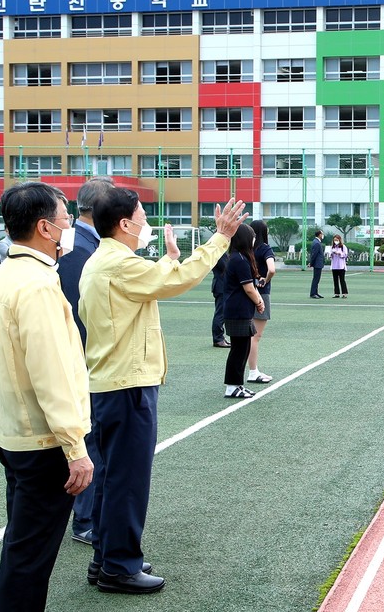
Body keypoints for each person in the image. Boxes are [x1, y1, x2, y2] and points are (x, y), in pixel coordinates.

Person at [79, 189, 246, 594]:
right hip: (127, 385)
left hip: (112, 383)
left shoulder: (103, 261)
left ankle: (108, 557)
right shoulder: (119, 264)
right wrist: (220, 238)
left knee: (112, 478)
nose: (145, 222)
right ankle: (119, 565)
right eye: (141, 215)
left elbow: (155, 280)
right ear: (124, 224)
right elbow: (177, 280)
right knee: (128, 480)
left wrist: (170, 259)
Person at [0, 182, 93, 612]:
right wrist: (75, 447)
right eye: (65, 220)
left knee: (22, 546)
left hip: (12, 434)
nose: (70, 227)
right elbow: (53, 374)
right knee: (29, 559)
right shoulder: (38, 285)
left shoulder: (6, 276)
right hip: (43, 442)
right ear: (45, 227)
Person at [56, 176, 114, 546]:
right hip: (83, 361)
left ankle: (88, 515)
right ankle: (85, 520)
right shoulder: (80, 249)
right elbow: (82, 314)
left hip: (86, 359)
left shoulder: (85, 243)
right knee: (89, 442)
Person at [223, 224, 267, 398]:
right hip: (238, 311)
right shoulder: (239, 260)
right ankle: (232, 386)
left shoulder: (239, 258)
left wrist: (258, 300)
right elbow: (248, 288)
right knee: (239, 349)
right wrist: (259, 302)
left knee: (242, 348)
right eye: (252, 236)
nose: (254, 239)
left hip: (240, 310)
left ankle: (237, 385)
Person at [248, 219, 276, 384]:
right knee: (255, 336)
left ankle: (251, 370)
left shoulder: (247, 249)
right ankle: (253, 371)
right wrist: (266, 279)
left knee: (247, 334)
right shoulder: (265, 248)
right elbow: (272, 269)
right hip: (261, 293)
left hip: (247, 291)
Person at [211, 254, 230, 348]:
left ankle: (219, 338)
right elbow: (227, 268)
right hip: (221, 287)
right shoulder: (219, 253)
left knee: (221, 313)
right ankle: (218, 339)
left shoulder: (219, 252)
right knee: (220, 314)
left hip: (220, 286)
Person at [330, 234, 349, 298]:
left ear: (339, 240)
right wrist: (332, 253)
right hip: (334, 266)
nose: (336, 241)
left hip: (341, 266)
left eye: (337, 240)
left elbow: (345, 255)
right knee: (335, 280)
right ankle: (336, 293)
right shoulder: (332, 247)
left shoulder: (343, 247)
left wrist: (339, 253)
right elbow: (330, 256)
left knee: (342, 280)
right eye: (335, 240)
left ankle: (344, 293)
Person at [309, 230, 325, 299]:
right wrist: (311, 263)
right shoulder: (316, 243)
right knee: (316, 279)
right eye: (322, 234)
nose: (323, 235)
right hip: (317, 264)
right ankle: (313, 293)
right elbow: (314, 254)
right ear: (319, 235)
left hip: (318, 263)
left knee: (317, 279)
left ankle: (315, 292)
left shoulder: (317, 242)